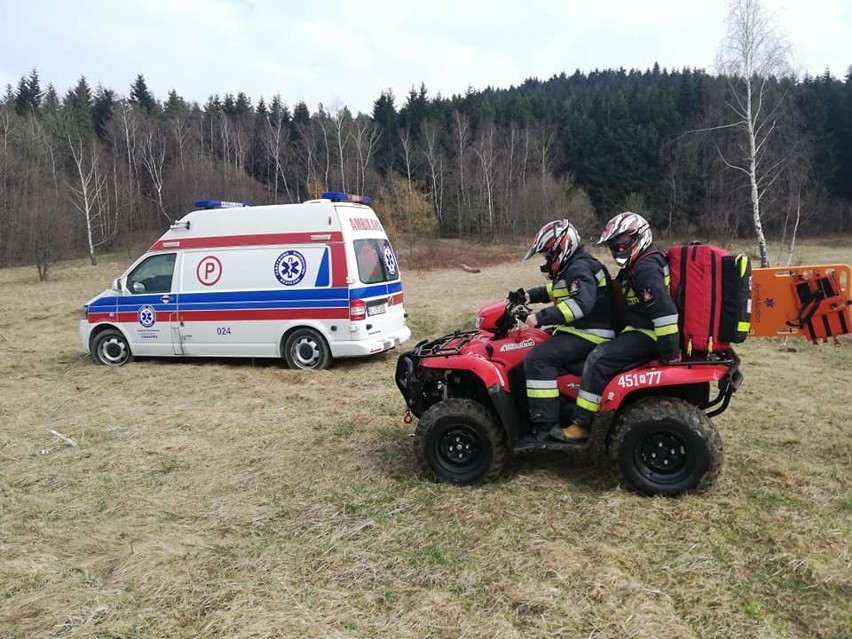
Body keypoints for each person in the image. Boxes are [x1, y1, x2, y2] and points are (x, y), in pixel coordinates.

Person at [551, 212, 680, 443]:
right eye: (614, 245)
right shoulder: (636, 265)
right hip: (637, 330)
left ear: (639, 237)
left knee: (599, 359)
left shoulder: (645, 267)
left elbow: (664, 312)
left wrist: (669, 354)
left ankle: (582, 424)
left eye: (622, 243)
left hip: (648, 334)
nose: (618, 249)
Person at [517, 219, 617, 441]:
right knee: (536, 343)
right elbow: (558, 290)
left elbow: (581, 303)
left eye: (548, 256)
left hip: (592, 333)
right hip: (582, 329)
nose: (547, 261)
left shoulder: (580, 268)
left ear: (561, 248)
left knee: (537, 359)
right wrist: (528, 296)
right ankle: (562, 407)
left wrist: (540, 317)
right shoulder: (574, 266)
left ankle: (545, 427)